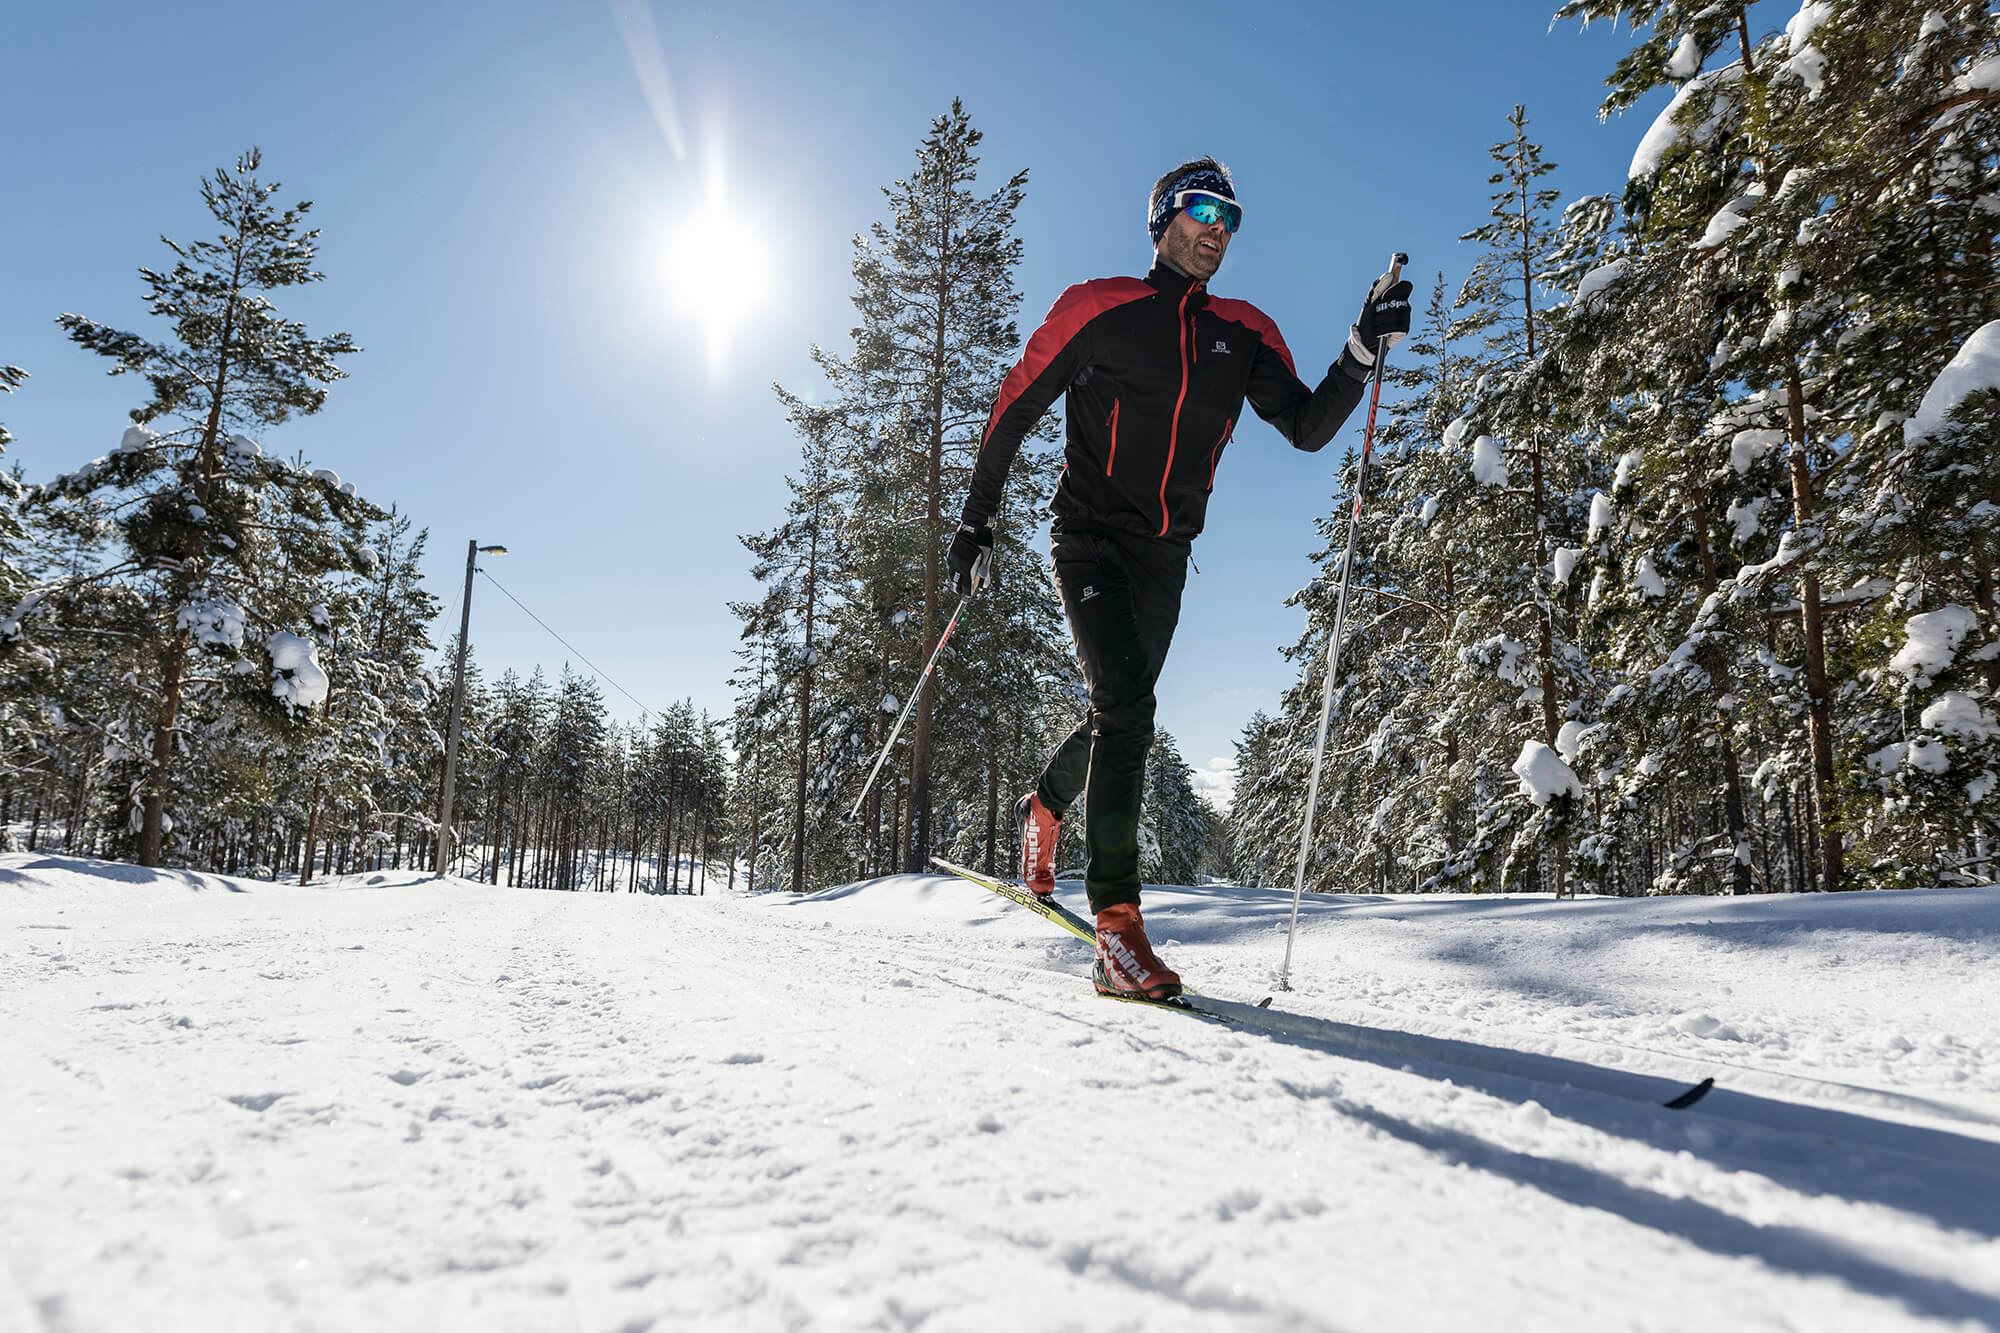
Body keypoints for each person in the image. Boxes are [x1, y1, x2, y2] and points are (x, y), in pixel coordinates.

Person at [947, 157, 1411, 1000]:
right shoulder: (1100, 308)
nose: (1218, 227)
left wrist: (1358, 349)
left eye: (1231, 217)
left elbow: (1307, 428)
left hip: (1166, 556)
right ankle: (1117, 932)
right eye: (1202, 209)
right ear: (1162, 217)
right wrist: (974, 524)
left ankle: (1044, 806)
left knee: (1117, 710)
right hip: (1087, 539)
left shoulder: (1245, 333)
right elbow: (1014, 407)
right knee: (1128, 706)